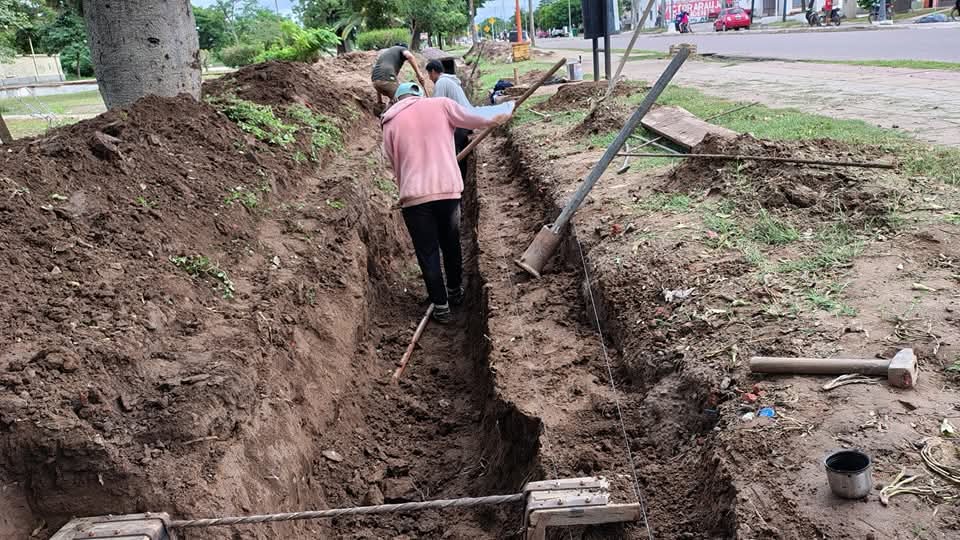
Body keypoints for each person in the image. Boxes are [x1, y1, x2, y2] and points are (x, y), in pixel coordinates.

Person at [381, 82, 511, 323]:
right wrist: (507, 108)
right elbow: (476, 117)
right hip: (448, 192)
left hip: (414, 198)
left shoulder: (389, 123)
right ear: (420, 95)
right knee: (450, 243)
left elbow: (391, 162)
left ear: (397, 101)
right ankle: (455, 291)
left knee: (428, 252)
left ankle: (440, 305)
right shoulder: (441, 105)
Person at [425, 59, 473, 181]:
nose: (430, 78)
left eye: (429, 74)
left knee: (451, 150)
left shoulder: (441, 82)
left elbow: (437, 108)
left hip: (462, 122)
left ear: (433, 71)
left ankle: (456, 180)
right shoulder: (449, 81)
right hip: (466, 119)